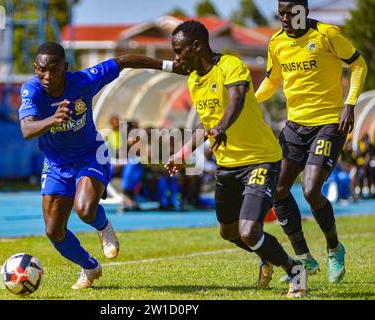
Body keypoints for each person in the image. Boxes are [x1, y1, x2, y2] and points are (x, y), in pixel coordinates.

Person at [19, 42, 181, 289]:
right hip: (55, 163)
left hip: (90, 155)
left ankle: (103, 227)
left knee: (84, 210)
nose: (48, 76)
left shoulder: (83, 81)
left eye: (54, 69)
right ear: (35, 68)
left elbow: (124, 60)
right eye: (42, 70)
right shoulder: (31, 90)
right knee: (54, 231)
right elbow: (27, 129)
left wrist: (169, 65)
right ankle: (90, 267)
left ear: (65, 67)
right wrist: (53, 119)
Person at [164, 20, 307, 298]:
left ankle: (295, 271)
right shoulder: (194, 81)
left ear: (197, 46)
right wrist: (184, 152)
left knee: (250, 231)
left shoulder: (230, 65)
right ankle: (266, 255)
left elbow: (237, 100)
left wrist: (222, 128)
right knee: (229, 232)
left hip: (260, 159)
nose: (176, 58)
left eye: (180, 51)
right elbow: (208, 124)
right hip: (227, 164)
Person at [255, 0, 367, 283]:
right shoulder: (276, 42)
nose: (284, 16)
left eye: (290, 11)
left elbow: (359, 65)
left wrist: (350, 104)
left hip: (329, 123)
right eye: (280, 11)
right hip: (294, 127)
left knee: (310, 189)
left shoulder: (326, 34)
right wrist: (248, 102)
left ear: (303, 11)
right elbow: (271, 82)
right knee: (278, 189)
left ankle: (334, 248)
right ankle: (304, 257)